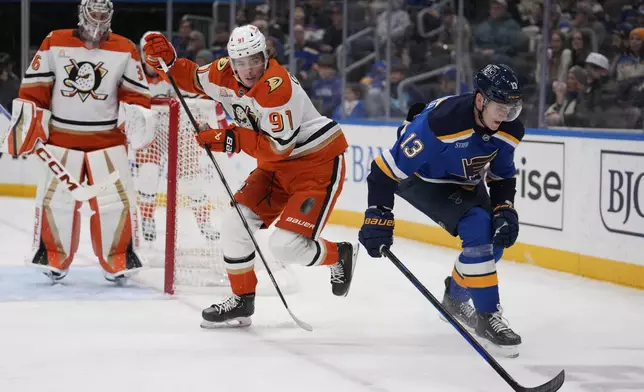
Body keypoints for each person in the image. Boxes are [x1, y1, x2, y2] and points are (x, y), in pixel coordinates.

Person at [142, 25, 359, 328]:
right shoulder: (223, 71)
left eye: (254, 60)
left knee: (285, 247)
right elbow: (191, 78)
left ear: (266, 55)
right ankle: (242, 303)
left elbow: (275, 150)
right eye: (240, 62)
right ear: (231, 61)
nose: (247, 69)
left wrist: (229, 138)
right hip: (276, 168)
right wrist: (168, 62)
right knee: (234, 225)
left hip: (315, 164)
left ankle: (339, 254)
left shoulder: (277, 87)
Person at [358, 64, 524, 358]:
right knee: (478, 229)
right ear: (480, 100)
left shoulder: (509, 128)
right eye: (500, 107)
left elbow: (502, 175)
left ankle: (455, 298)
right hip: (423, 181)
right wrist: (378, 213)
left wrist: (504, 207)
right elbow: (383, 170)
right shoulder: (441, 124)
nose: (506, 115)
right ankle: (487, 317)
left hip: (465, 182)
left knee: (494, 240)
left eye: (512, 108)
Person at [10, 0, 152, 283]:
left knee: (115, 203)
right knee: (56, 201)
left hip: (108, 140)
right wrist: (29, 122)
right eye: (94, 12)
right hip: (61, 139)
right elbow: (35, 88)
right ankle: (52, 256)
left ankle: (118, 259)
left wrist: (135, 118)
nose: (98, 19)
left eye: (104, 13)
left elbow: (136, 95)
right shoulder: (55, 41)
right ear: (82, 12)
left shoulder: (124, 47)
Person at [134, 33, 226, 243]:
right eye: (149, 54)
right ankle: (147, 219)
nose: (155, 59)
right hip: (151, 131)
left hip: (180, 130)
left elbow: (204, 94)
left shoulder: (173, 71)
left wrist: (220, 118)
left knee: (191, 181)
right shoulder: (134, 76)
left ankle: (204, 224)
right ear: (142, 54)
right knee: (148, 174)